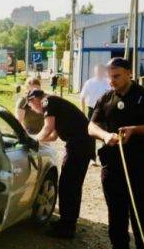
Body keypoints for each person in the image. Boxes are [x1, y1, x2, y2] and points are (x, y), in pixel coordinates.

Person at [88, 57, 144, 249]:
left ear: (129, 74)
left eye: (117, 76)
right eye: (109, 77)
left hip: (137, 165)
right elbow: (91, 126)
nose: (112, 81)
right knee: (116, 209)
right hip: (112, 164)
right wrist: (105, 136)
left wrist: (135, 129)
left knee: (140, 212)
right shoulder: (106, 97)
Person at [26, 89, 95, 239]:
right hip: (81, 144)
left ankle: (67, 227)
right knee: (70, 185)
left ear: (34, 99)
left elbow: (47, 128)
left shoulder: (47, 102)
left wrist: (30, 142)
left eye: (30, 105)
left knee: (68, 185)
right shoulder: (56, 105)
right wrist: (33, 138)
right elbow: (52, 136)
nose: (32, 109)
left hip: (79, 145)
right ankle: (67, 222)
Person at [79, 64, 112, 166]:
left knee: (107, 132)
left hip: (106, 110)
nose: (99, 73)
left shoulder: (108, 82)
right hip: (92, 110)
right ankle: (92, 158)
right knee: (91, 134)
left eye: (101, 71)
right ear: (95, 72)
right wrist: (83, 112)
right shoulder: (89, 83)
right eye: (97, 71)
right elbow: (82, 97)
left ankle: (106, 157)